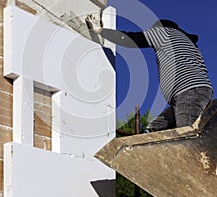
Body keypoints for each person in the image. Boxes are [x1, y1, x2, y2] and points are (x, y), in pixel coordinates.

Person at [85, 15, 213, 131]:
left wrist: (101, 31)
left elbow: (131, 39)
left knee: (187, 134)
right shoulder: (189, 43)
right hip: (197, 93)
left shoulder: (164, 33)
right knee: (153, 130)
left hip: (188, 93)